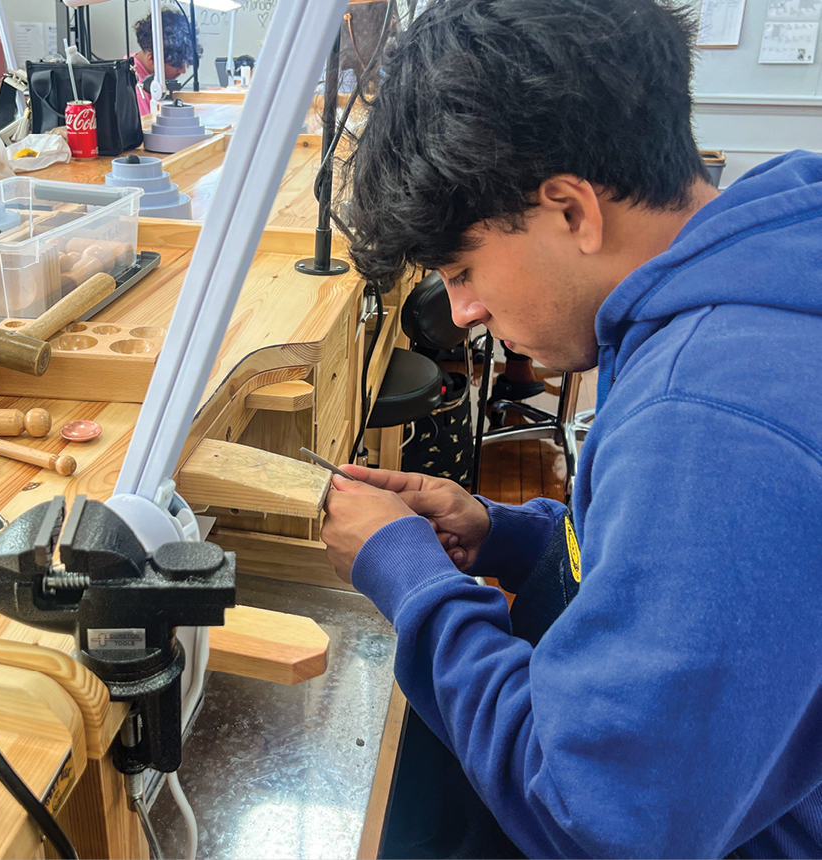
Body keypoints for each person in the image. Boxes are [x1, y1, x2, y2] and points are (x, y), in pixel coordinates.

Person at [321, 0, 822, 857]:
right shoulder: (739, 281)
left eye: (464, 268)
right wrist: (509, 536)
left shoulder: (706, 423)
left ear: (569, 210)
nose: (467, 311)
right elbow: (702, 574)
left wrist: (409, 580)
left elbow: (597, 819)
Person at [130, 10, 199, 115]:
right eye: (177, 64)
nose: (183, 71)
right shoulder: (136, 90)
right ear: (152, 59)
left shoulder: (134, 64)